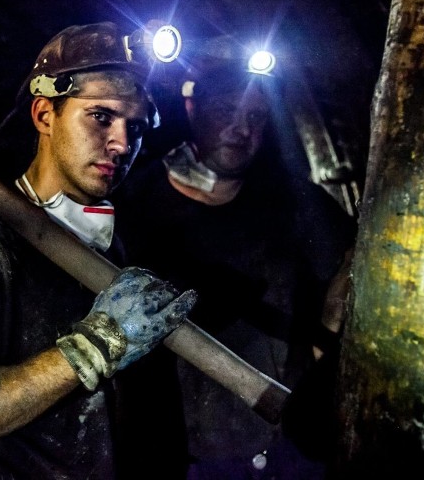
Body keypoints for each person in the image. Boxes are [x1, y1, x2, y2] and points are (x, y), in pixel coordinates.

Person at [0, 21, 198, 479]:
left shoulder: (118, 244)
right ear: (43, 115)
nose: (121, 143)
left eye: (134, 127)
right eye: (100, 116)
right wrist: (92, 348)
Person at [111, 34, 357, 479]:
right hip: (181, 454)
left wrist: (326, 346)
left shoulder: (293, 202)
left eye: (255, 117)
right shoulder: (134, 203)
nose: (241, 129)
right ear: (192, 109)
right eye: (227, 111)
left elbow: (352, 265)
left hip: (286, 446)